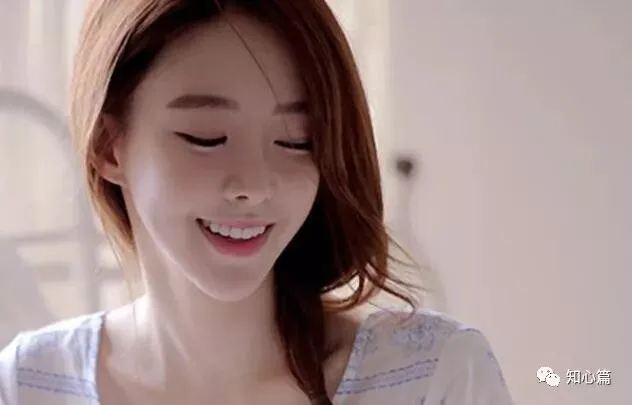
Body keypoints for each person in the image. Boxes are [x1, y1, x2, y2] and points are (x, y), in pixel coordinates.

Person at [0, 1, 514, 404]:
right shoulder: (28, 384)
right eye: (206, 137)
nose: (254, 185)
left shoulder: (434, 377)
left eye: (295, 141)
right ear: (108, 146)